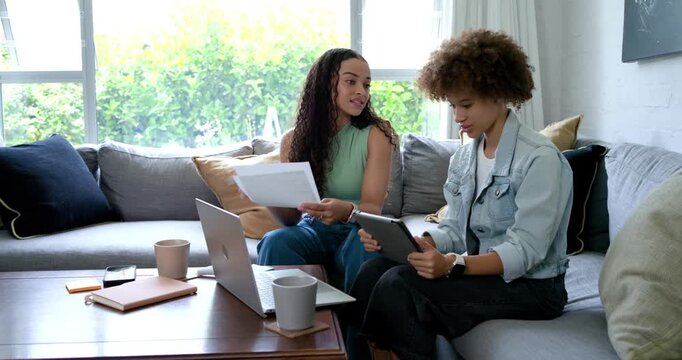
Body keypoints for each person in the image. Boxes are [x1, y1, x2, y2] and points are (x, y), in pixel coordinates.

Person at [342, 29, 573, 359]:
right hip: (482, 273)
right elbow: (453, 229)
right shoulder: (464, 157)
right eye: (452, 105)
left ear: (499, 92)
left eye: (466, 104)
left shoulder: (540, 159)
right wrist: (427, 245)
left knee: (401, 284)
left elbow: (526, 252)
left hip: (533, 288)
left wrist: (453, 265)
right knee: (373, 269)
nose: (458, 117)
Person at [256, 48, 396, 292]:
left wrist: (347, 210)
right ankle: (282, 324)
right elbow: (290, 219)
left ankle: (357, 330)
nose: (361, 92)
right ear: (325, 84)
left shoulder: (377, 133)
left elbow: (374, 207)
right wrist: (268, 196)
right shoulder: (293, 140)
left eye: (366, 84)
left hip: (357, 229)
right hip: (313, 229)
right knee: (275, 241)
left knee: (364, 248)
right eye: (351, 82)